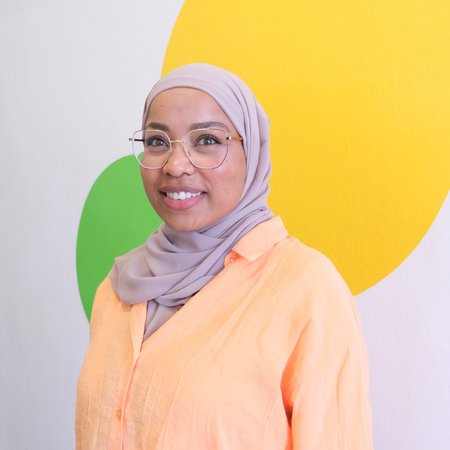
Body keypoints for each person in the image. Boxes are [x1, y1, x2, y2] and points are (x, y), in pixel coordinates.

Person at [76, 63, 373, 449]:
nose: (175, 166)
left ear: (252, 151)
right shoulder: (119, 288)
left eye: (207, 140)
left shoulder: (306, 289)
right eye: (157, 141)